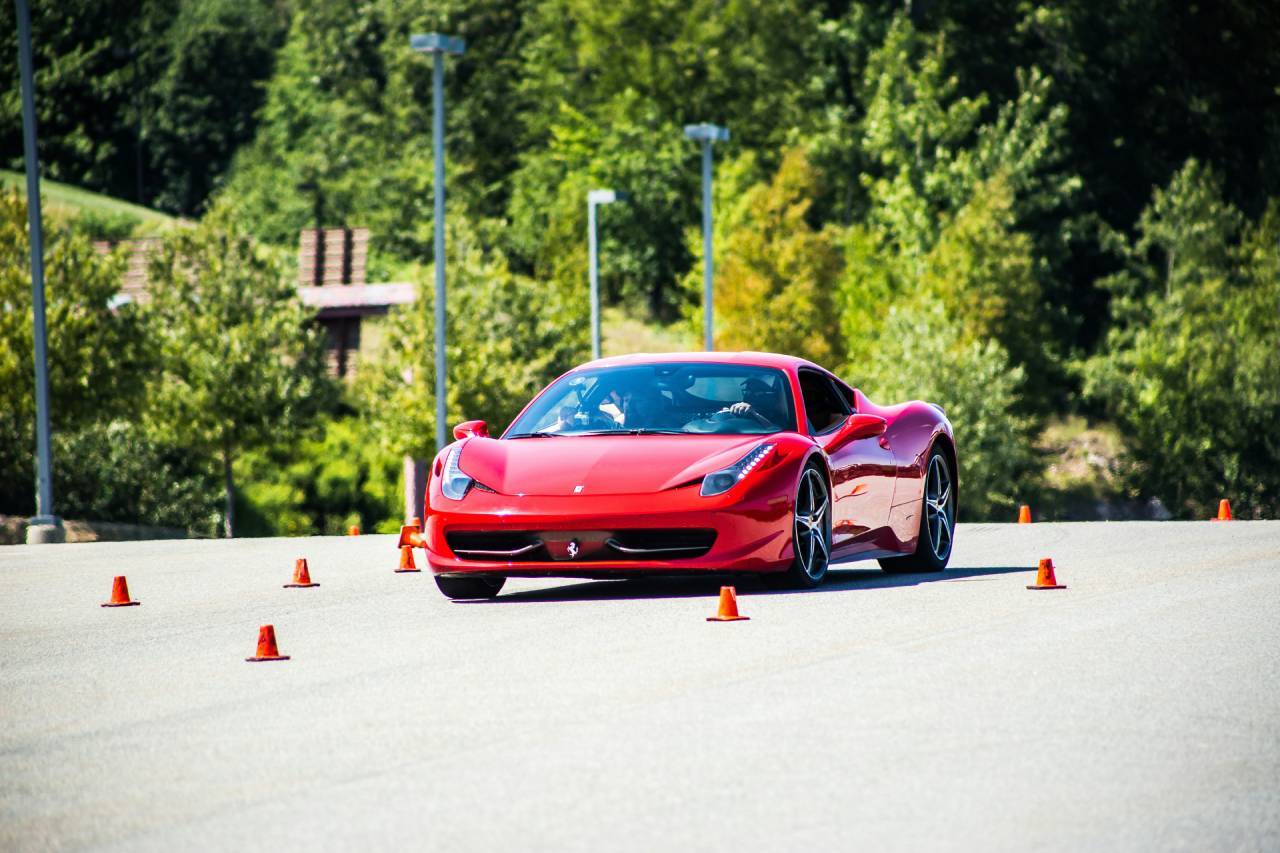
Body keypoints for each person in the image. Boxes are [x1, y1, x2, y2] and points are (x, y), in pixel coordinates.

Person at [717, 377, 786, 430]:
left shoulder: (777, 414)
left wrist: (754, 414)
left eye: (756, 393)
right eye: (747, 391)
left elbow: (775, 431)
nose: (749, 395)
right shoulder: (737, 409)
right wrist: (724, 415)